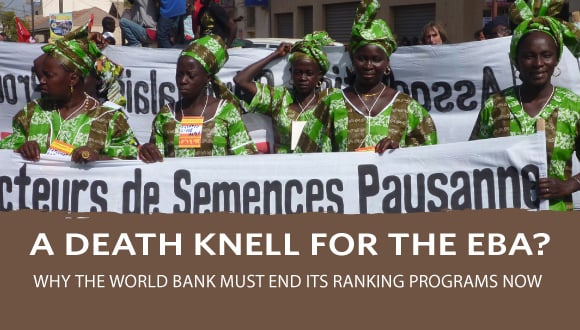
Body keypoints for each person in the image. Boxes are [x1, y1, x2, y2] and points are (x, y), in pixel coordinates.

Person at [470, 0, 580, 211]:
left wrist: (568, 185)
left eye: (546, 55)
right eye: (528, 56)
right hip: (504, 229)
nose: (538, 63)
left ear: (556, 59)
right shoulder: (496, 105)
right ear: (516, 60)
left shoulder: (573, 106)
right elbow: (472, 161)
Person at [297, 0, 437, 153]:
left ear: (387, 64)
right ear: (352, 60)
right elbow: (305, 156)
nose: (368, 65)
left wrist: (400, 151)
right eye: (362, 58)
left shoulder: (408, 107)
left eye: (376, 59)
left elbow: (429, 158)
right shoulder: (332, 104)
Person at [0, 32, 139, 163]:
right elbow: (5, 153)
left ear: (72, 79)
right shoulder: (30, 113)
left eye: (49, 75)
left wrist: (98, 158)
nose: (41, 80)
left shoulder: (110, 119)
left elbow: (129, 163)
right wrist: (21, 149)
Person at [138, 34, 256, 161]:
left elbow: (247, 159)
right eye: (179, 74)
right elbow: (156, 162)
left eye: (190, 75)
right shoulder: (166, 115)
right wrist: (148, 152)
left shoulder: (227, 112)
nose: (183, 80)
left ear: (207, 78)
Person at [233, 31, 335, 153]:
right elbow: (241, 80)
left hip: (319, 169)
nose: (303, 78)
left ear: (319, 77)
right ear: (291, 74)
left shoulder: (329, 100)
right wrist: (275, 54)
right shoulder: (279, 98)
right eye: (298, 72)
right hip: (284, 169)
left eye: (309, 73)